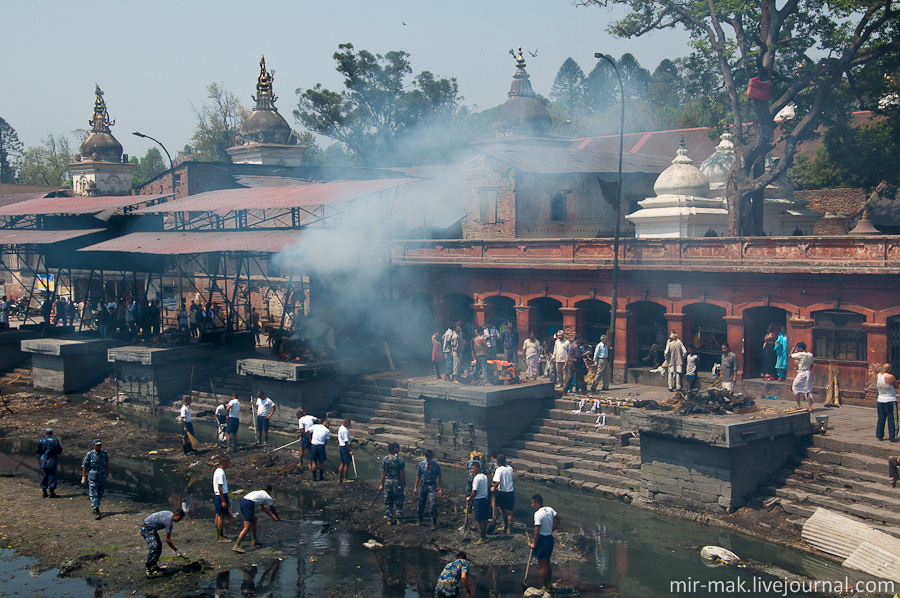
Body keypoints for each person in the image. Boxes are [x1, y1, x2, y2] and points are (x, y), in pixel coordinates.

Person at [232, 485, 279, 553]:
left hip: (243, 502)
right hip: (248, 504)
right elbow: (272, 509)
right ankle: (236, 545)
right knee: (246, 527)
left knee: (254, 519)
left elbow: (263, 508)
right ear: (269, 491)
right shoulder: (267, 497)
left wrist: (271, 515)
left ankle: (254, 541)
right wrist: (277, 517)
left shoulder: (260, 493)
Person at [529, 494, 561, 593]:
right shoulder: (549, 509)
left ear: (537, 503)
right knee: (548, 562)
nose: (532, 505)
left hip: (542, 539)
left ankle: (545, 586)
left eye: (533, 503)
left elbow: (537, 530)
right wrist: (552, 529)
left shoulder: (538, 514)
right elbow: (558, 518)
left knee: (542, 564)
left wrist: (534, 543)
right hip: (549, 538)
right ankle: (549, 583)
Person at [141, 508, 185, 577]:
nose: (179, 520)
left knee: (159, 546)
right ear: (175, 515)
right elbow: (167, 540)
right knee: (154, 546)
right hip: (146, 529)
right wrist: (176, 550)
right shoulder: (169, 522)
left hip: (152, 529)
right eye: (179, 518)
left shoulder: (169, 513)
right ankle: (147, 568)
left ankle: (154, 565)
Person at [81, 438, 110, 519]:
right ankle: (97, 510)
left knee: (100, 492)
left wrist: (109, 473)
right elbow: (84, 466)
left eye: (100, 445)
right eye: (97, 445)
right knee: (94, 493)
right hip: (93, 476)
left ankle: (96, 506)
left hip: (101, 476)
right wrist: (83, 477)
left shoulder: (104, 454)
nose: (98, 447)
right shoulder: (89, 454)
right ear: (94, 446)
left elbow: (106, 464)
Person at [378, 442, 406, 525]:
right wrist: (403, 483)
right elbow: (402, 473)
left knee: (388, 500)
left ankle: (389, 519)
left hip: (388, 482)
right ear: (395, 449)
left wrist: (381, 484)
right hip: (397, 482)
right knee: (398, 500)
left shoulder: (385, 460)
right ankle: (399, 519)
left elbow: (383, 473)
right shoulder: (400, 460)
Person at [414, 449, 443, 530]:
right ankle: (420, 518)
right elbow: (418, 476)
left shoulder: (436, 465)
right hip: (423, 484)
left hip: (432, 485)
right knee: (420, 502)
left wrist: (441, 489)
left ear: (432, 457)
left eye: (429, 457)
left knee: (433, 503)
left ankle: (434, 522)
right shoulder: (421, 464)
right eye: (427, 457)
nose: (428, 459)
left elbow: (440, 477)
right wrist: (415, 487)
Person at [466, 462, 490, 544]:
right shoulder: (485, 476)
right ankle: (484, 535)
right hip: (485, 499)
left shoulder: (476, 478)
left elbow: (475, 491)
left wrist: (469, 498)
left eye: (473, 468)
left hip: (479, 500)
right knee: (484, 518)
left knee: (480, 520)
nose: (472, 470)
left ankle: (482, 538)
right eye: (471, 468)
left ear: (478, 468)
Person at [491, 453, 514, 534]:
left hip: (502, 492)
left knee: (502, 509)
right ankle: (509, 529)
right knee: (510, 511)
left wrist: (494, 488)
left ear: (498, 462)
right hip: (510, 492)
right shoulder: (510, 468)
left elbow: (497, 482)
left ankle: (505, 525)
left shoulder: (499, 470)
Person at [876, 364, 899, 442]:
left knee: (881, 419)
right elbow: (896, 386)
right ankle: (893, 437)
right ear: (889, 370)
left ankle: (879, 436)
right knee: (892, 419)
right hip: (890, 399)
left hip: (880, 399)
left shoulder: (878, 376)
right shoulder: (890, 377)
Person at [37, 428, 62, 498]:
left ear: (45, 433)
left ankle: (44, 491)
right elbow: (59, 451)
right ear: (52, 434)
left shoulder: (41, 441)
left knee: (44, 475)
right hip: (52, 461)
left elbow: (38, 450)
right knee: (52, 476)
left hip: (44, 460)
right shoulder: (55, 441)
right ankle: (51, 492)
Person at [213, 456, 232, 542]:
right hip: (221, 495)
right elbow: (220, 487)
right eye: (228, 462)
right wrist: (223, 501)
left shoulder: (217, 471)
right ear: (224, 462)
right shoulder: (220, 473)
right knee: (221, 516)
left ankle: (218, 534)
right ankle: (221, 536)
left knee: (218, 514)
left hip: (217, 495)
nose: (229, 464)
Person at [790, 342, 814, 411]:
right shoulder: (810, 355)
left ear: (801, 348)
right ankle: (810, 407)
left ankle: (799, 405)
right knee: (808, 390)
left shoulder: (801, 354)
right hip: (808, 372)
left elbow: (790, 355)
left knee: (795, 387)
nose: (797, 349)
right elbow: (812, 364)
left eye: (797, 348)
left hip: (802, 373)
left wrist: (793, 348)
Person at [338, 418, 354, 483]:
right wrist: (350, 450)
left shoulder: (340, 428)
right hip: (345, 448)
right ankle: (345, 478)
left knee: (342, 463)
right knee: (347, 464)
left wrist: (350, 444)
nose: (349, 425)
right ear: (346, 423)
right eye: (349, 424)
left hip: (341, 447)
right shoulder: (344, 430)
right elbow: (346, 442)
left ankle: (339, 478)